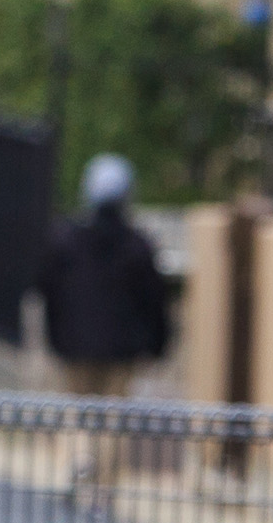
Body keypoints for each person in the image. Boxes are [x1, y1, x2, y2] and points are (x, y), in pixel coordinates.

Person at [31, 152, 171, 498]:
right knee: (112, 416)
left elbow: (45, 289)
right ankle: (103, 487)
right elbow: (155, 301)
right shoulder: (137, 246)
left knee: (76, 410)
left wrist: (54, 334)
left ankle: (77, 462)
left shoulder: (65, 240)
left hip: (73, 345)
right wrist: (157, 345)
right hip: (122, 349)